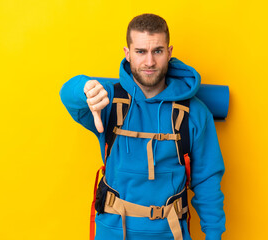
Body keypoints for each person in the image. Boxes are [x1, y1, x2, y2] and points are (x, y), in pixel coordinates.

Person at [60, 13, 225, 240]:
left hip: (170, 233)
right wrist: (84, 89)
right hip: (112, 232)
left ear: (169, 52)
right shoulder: (107, 101)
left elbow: (207, 180)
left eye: (157, 51)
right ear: (127, 54)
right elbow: (67, 94)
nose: (149, 62)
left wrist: (214, 235)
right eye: (140, 52)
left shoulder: (194, 112)